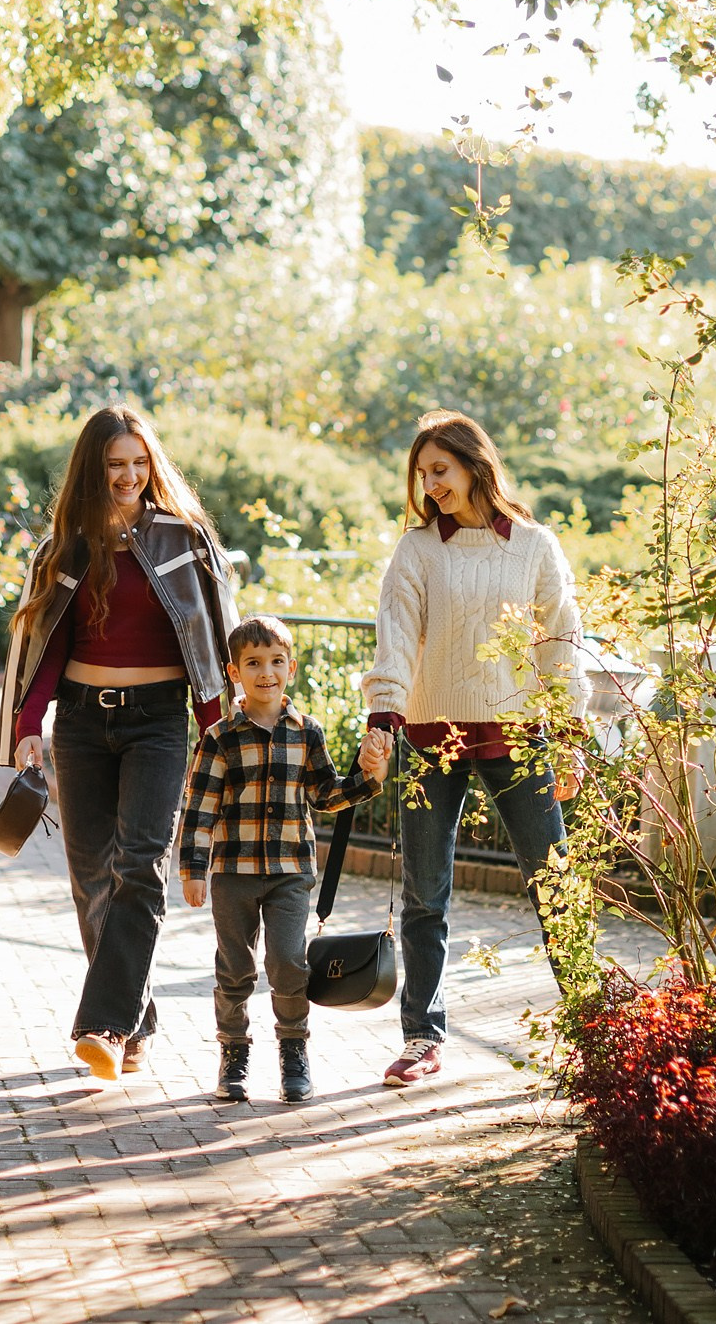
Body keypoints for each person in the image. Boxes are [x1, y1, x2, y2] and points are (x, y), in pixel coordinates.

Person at [0, 404, 240, 1082]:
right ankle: (135, 1019)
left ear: (152, 466)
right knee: (90, 877)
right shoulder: (65, 547)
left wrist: (216, 733)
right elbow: (48, 644)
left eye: (139, 462)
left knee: (139, 866)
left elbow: (208, 640)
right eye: (114, 464)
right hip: (79, 723)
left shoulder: (185, 539)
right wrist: (27, 725)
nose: (128, 475)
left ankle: (103, 1024)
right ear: (92, 469)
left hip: (158, 723)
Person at [361, 410, 586, 1090]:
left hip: (518, 734)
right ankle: (421, 1038)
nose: (430, 485)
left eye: (441, 470)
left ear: (474, 465)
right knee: (424, 894)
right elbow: (397, 635)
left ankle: (595, 1027)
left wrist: (569, 734)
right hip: (432, 736)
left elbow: (560, 642)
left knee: (554, 881)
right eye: (422, 474)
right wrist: (383, 717)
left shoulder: (535, 546)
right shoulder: (418, 550)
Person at [178, 614, 388, 1105]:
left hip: (291, 872)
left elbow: (325, 794)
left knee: (289, 962)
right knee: (235, 967)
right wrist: (193, 870)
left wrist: (370, 778)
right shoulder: (220, 737)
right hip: (233, 874)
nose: (266, 672)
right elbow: (200, 807)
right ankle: (234, 1053)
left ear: (291, 668)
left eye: (276, 661)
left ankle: (294, 1050)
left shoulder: (307, 732)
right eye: (253, 663)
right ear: (235, 673)